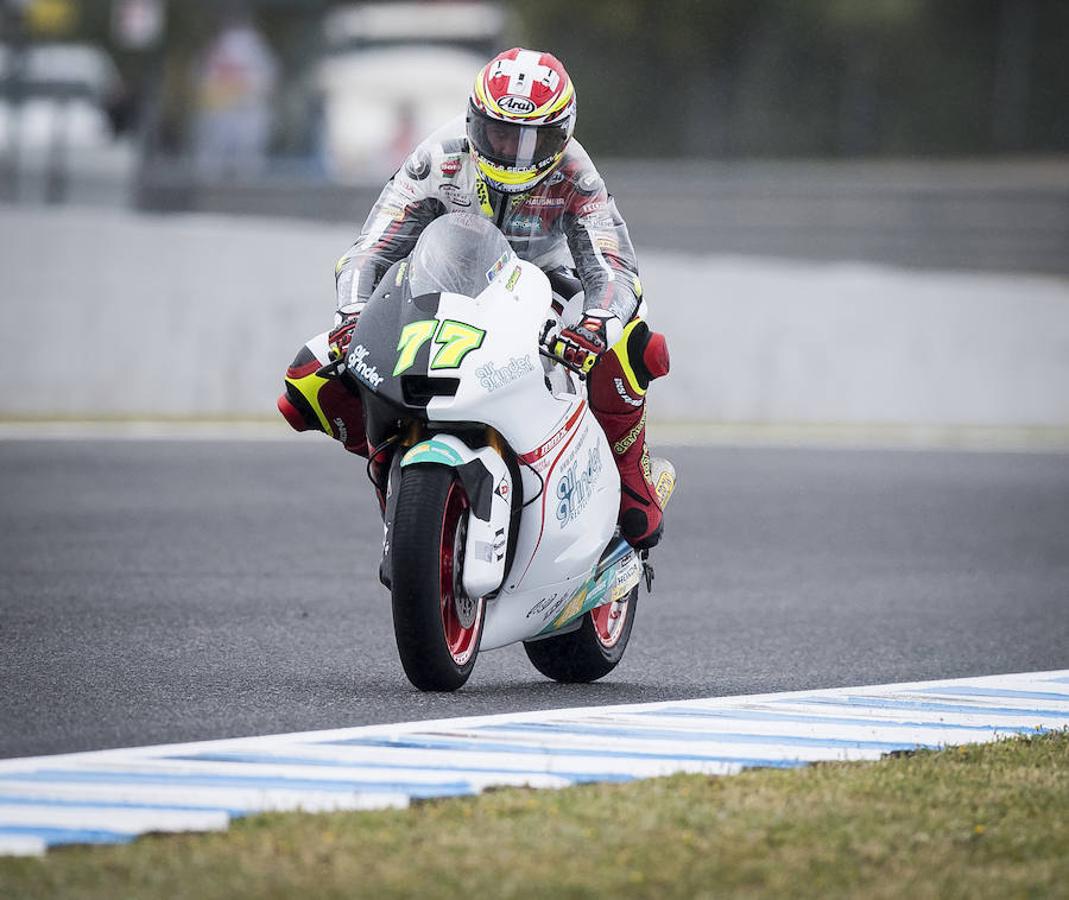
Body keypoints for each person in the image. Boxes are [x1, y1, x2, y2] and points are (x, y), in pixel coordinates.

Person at [278, 48, 672, 548]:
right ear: (473, 121)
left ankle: (630, 476)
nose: (514, 152)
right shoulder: (437, 157)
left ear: (563, 133)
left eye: (535, 139)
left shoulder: (577, 174)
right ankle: (392, 476)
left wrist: (595, 324)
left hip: (544, 289)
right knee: (308, 379)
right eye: (501, 132)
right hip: (442, 287)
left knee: (635, 345)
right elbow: (370, 250)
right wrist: (353, 313)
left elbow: (614, 270)